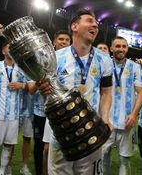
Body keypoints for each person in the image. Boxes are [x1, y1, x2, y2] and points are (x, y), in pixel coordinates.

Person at [38, 9, 113, 175]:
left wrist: (105, 117)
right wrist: (42, 88)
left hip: (91, 130)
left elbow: (106, 92)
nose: (95, 24)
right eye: (89, 21)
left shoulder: (105, 60)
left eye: (96, 23)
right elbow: (42, 88)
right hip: (61, 131)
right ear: (75, 26)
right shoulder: (56, 58)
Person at [0, 41, 33, 175]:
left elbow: (31, 88)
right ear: (3, 51)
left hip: (14, 116)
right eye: (9, 47)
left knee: (8, 146)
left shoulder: (22, 69)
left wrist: (22, 85)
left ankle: (2, 172)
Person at [102, 36, 142, 175]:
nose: (121, 49)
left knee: (124, 160)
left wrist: (133, 114)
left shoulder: (135, 67)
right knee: (103, 157)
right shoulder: (104, 64)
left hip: (127, 121)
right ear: (111, 48)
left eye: (124, 46)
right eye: (118, 46)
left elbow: (141, 93)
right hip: (105, 121)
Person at [42, 30, 71, 174]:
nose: (64, 42)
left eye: (67, 40)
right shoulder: (47, 60)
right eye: (61, 39)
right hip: (53, 110)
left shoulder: (74, 61)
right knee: (47, 149)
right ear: (54, 41)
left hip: (70, 112)